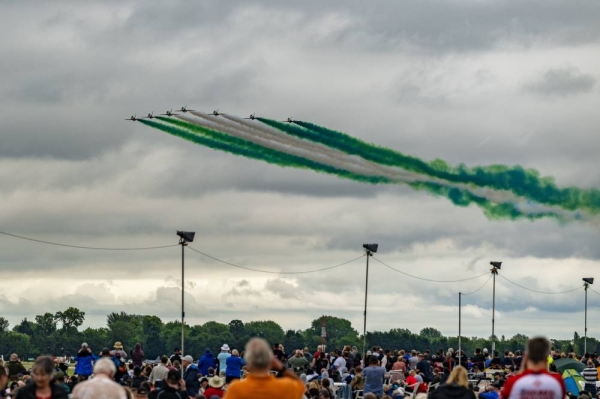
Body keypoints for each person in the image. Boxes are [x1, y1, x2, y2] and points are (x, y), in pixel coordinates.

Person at [223, 337, 306, 399]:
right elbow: (301, 386)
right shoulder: (284, 387)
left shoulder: (236, 389)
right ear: (270, 360)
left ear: (248, 361)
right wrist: (281, 368)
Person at [501, 337, 565, 399]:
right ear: (546, 358)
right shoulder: (557, 381)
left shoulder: (513, 382)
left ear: (526, 356)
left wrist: (521, 370)